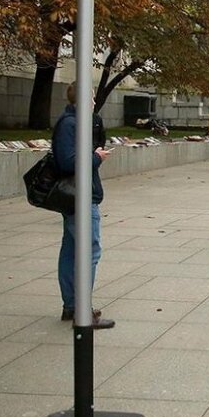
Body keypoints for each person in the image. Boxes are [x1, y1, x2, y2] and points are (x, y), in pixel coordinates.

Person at [53, 82, 114, 329]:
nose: (93, 102)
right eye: (90, 97)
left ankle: (72, 305)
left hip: (76, 196)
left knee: (71, 250)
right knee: (89, 250)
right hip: (80, 196)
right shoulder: (71, 124)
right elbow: (70, 162)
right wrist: (96, 158)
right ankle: (81, 309)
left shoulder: (75, 123)